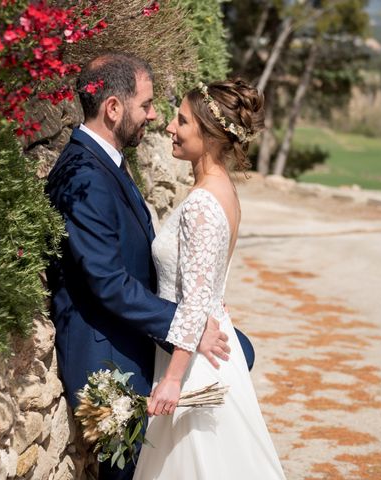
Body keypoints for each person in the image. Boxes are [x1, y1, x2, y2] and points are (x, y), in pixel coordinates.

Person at [45, 53, 254, 480]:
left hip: (148, 340)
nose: (156, 118)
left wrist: (197, 319)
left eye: (171, 114)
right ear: (114, 108)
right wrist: (190, 323)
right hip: (111, 352)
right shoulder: (85, 174)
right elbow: (108, 281)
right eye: (147, 105)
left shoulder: (109, 162)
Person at [133, 79, 286, 479]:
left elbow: (196, 301)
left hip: (194, 364)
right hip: (203, 347)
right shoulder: (222, 191)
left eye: (181, 121)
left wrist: (171, 380)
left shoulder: (203, 202)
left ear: (211, 135)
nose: (169, 126)